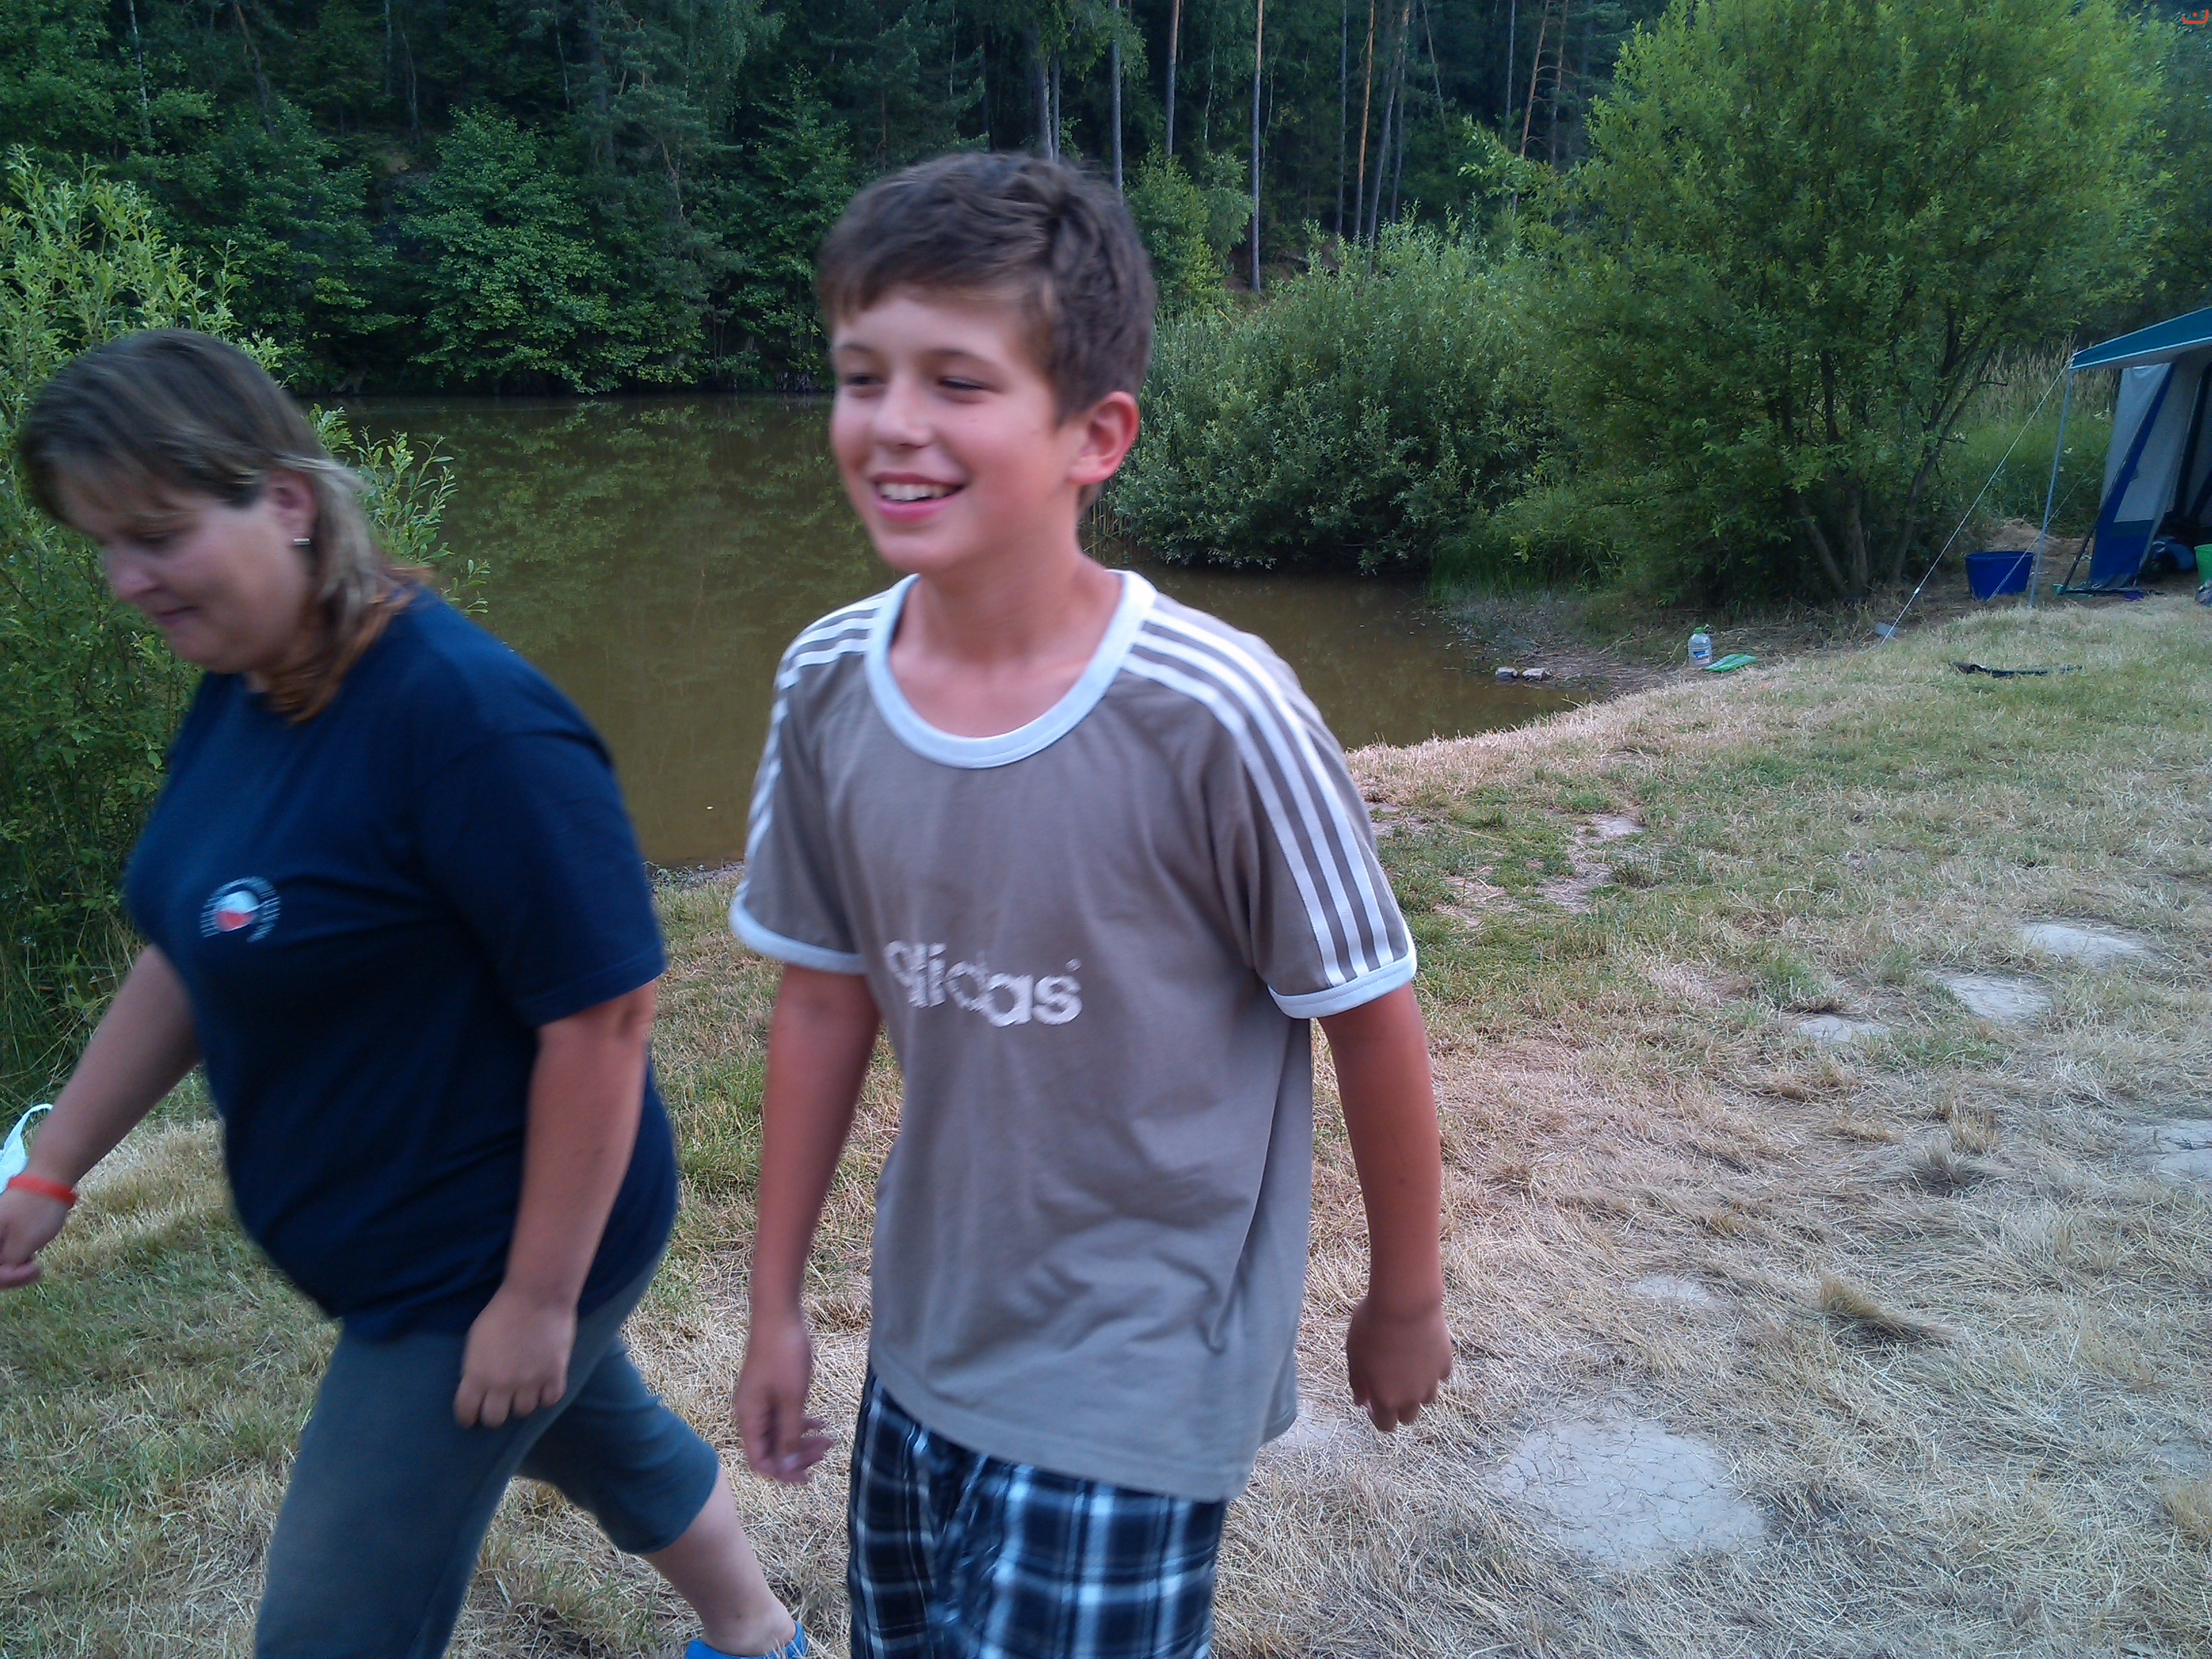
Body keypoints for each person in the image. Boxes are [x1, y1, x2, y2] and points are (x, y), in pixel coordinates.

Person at [729, 153, 1454, 1659]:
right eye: (861, 375)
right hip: (929, 1334)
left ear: (1095, 435)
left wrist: (1406, 1296)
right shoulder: (824, 682)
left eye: (957, 380)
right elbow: (822, 999)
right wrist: (776, 1303)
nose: (894, 422)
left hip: (1144, 1354)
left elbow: (1371, 1013)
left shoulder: (1218, 710)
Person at [0, 330, 805, 1659]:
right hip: (391, 1243)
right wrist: (53, 1171)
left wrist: (537, 1303)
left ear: (287, 502)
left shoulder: (471, 722)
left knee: (330, 1629)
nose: (125, 580)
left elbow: (604, 1017)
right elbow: (194, 943)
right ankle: (758, 1637)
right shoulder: (247, 684)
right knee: (601, 1439)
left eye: (155, 535)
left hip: (476, 1263)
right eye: (104, 544)